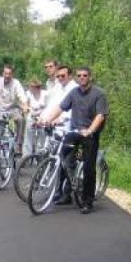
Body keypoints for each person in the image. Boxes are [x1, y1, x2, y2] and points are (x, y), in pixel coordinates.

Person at [39, 65, 108, 214]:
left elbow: (100, 115)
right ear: (76, 78)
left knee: (89, 168)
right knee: (64, 157)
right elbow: (61, 108)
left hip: (90, 134)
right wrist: (48, 120)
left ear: (90, 77)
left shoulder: (99, 94)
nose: (82, 78)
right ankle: (66, 194)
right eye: (79, 75)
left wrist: (90, 130)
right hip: (75, 132)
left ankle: (87, 201)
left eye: (84, 75)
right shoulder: (74, 92)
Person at [0, 64, 29, 156]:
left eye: (9, 74)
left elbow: (21, 95)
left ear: (12, 75)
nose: (7, 76)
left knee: (21, 119)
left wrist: (25, 105)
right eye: (6, 73)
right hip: (0, 109)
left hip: (12, 109)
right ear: (3, 73)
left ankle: (19, 144)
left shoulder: (16, 83)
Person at [24, 77, 48, 154]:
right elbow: (24, 104)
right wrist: (26, 108)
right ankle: (27, 156)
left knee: (42, 137)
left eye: (33, 87)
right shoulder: (28, 93)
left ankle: (40, 155)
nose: (31, 89)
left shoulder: (45, 94)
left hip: (42, 117)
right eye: (31, 87)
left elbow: (48, 106)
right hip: (31, 116)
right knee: (28, 138)